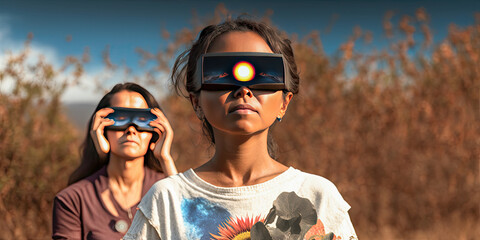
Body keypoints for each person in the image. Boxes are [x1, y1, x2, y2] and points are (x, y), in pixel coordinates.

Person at [124, 19, 357, 240]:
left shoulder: (317, 196)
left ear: (284, 102)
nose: (243, 88)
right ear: (197, 102)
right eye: (221, 75)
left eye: (264, 74)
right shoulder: (167, 200)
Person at [52, 82, 178, 239]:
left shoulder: (165, 189)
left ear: (156, 132)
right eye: (120, 118)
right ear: (101, 129)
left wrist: (166, 160)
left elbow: (188, 229)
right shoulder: (72, 200)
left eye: (143, 120)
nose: (131, 129)